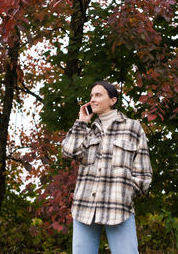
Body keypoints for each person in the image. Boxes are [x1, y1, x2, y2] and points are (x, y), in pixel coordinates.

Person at [61, 80, 153, 254]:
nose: (92, 99)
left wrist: (125, 192)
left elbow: (144, 174)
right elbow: (68, 152)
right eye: (91, 96)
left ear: (113, 100)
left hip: (118, 208)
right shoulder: (87, 131)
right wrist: (81, 122)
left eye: (98, 95)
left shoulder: (132, 128)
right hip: (85, 207)